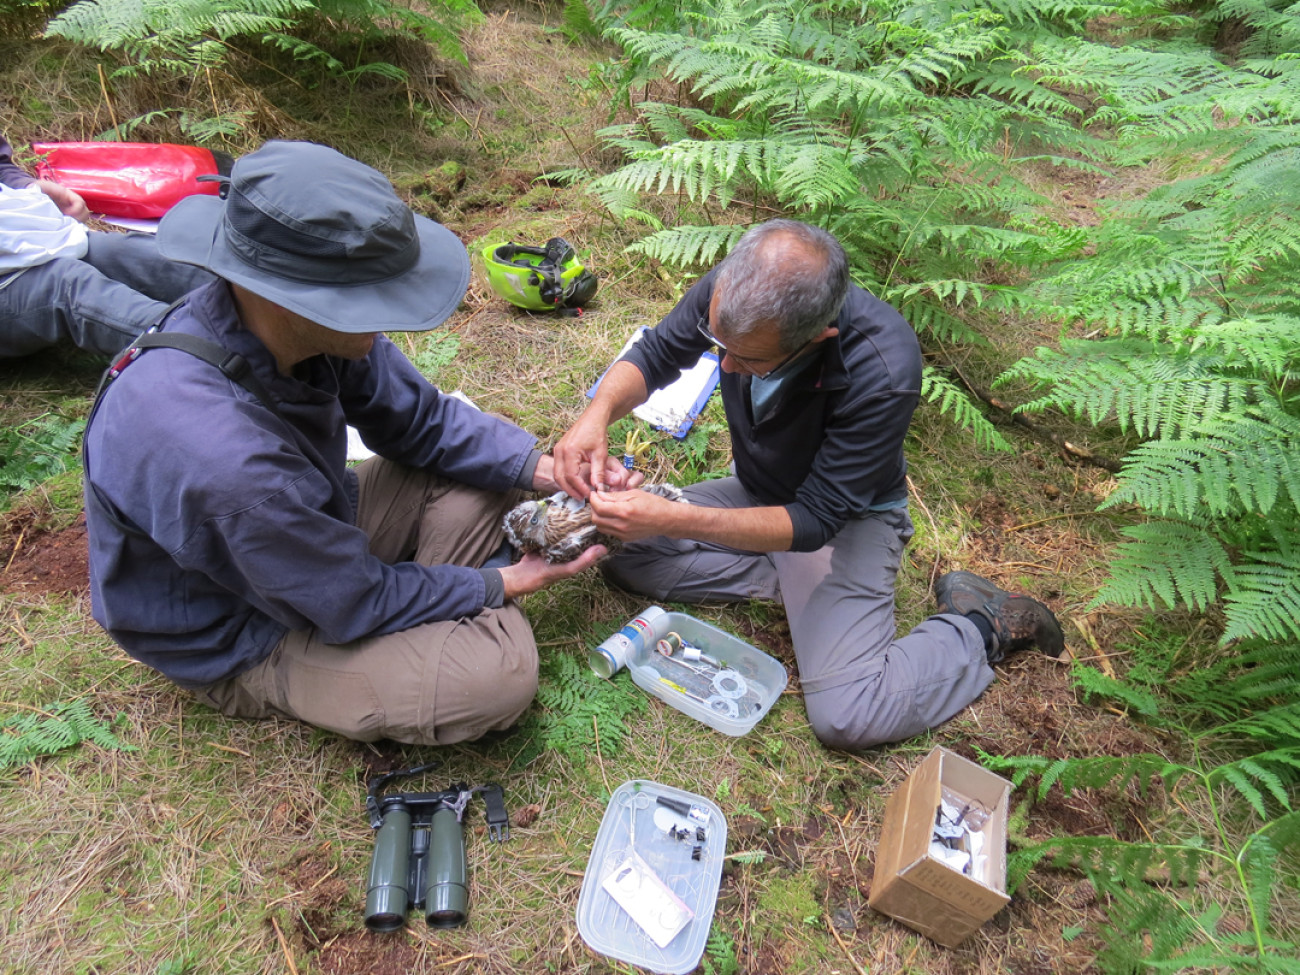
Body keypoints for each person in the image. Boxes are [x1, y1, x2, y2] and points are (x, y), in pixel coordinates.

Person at [83, 140, 636, 745]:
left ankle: (425, 610)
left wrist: (552, 471)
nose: (388, 315)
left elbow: (423, 422)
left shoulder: (288, 324)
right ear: (280, 293)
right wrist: (505, 582)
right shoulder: (223, 458)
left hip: (309, 535)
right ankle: (423, 627)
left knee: (491, 468)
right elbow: (348, 600)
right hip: (245, 624)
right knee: (495, 677)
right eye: (368, 298)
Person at [553, 219, 1065, 750]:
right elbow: (658, 353)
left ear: (818, 338)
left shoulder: (883, 368)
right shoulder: (738, 289)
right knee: (620, 551)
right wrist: (596, 416)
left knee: (849, 715)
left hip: (842, 525)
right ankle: (800, 590)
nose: (725, 365)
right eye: (720, 344)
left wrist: (676, 519)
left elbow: (817, 518)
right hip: (759, 492)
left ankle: (982, 623)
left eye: (749, 359)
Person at [1, 132, 211, 358]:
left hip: (18, 236)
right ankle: (216, 352)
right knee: (67, 285)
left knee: (120, 254)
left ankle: (237, 293)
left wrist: (27, 187)